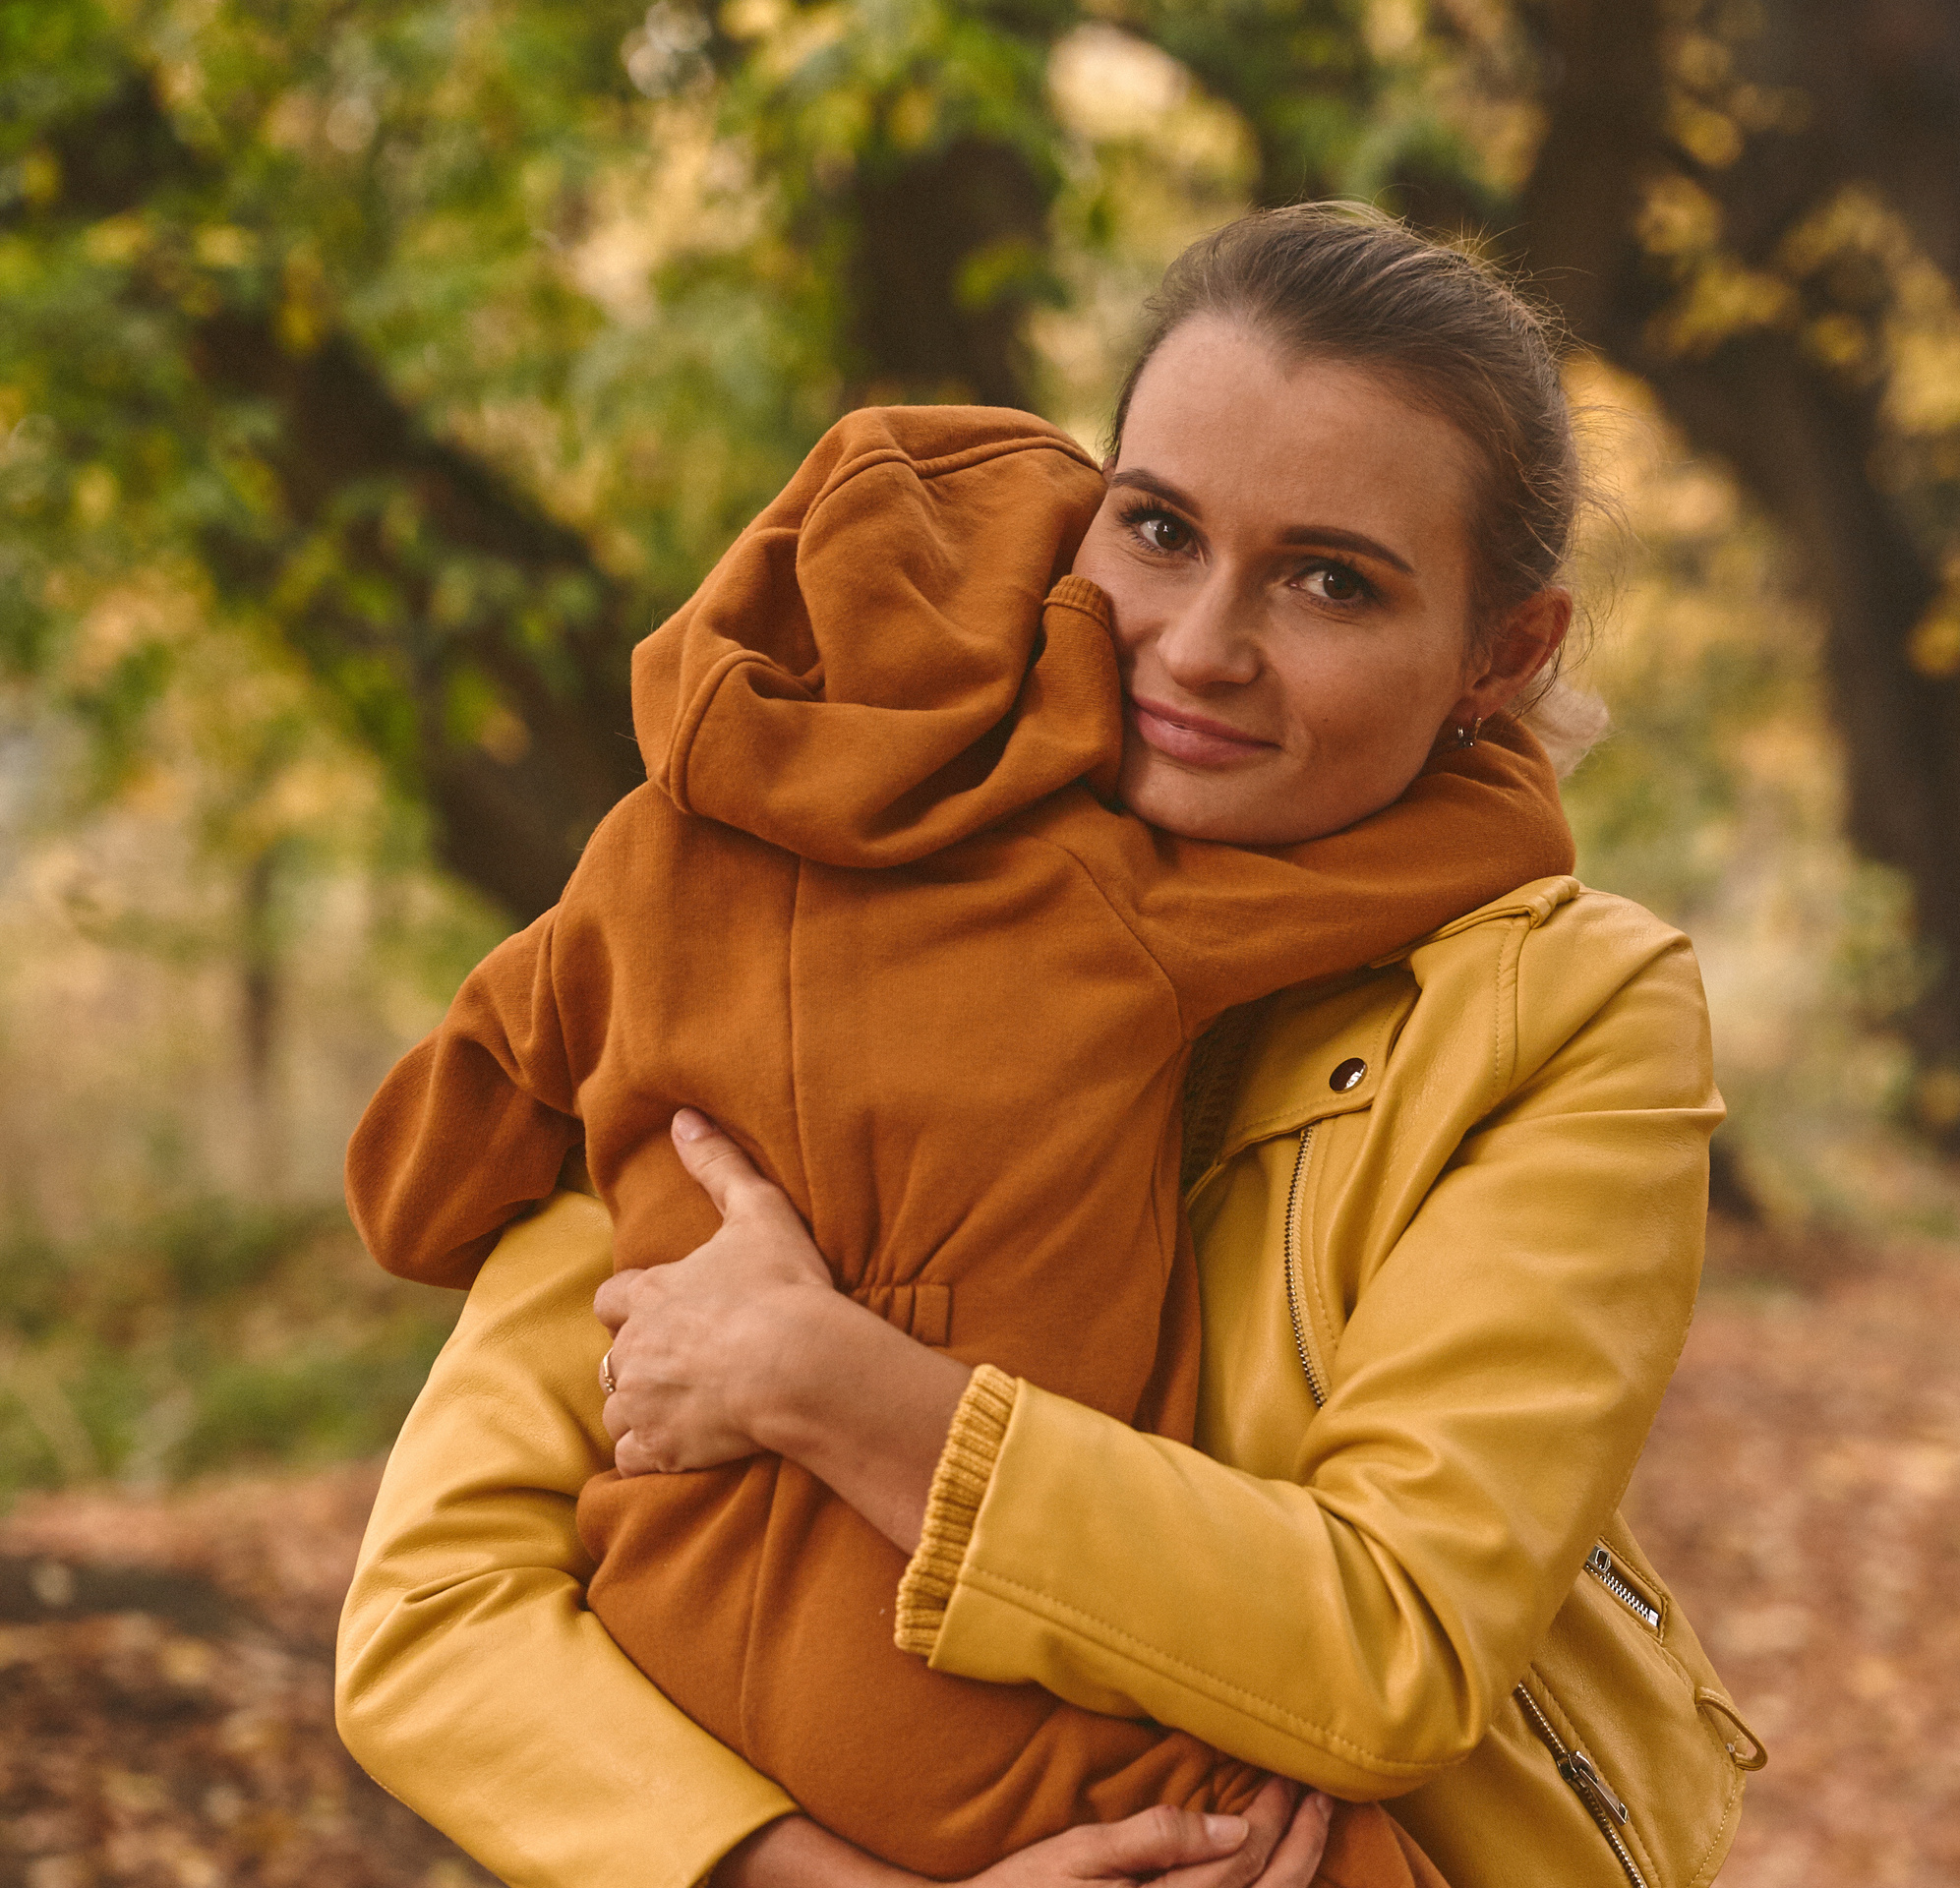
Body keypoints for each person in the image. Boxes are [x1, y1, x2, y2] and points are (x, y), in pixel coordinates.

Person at [337, 205, 1763, 1888]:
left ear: (1500, 654)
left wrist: (830, 1382)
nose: (1202, 648)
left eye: (1330, 581)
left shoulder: (1570, 1011)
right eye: (1159, 530)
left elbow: (1394, 1645)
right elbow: (435, 1615)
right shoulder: (805, 895)